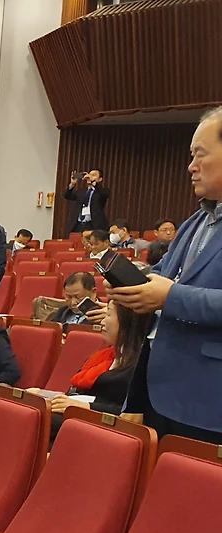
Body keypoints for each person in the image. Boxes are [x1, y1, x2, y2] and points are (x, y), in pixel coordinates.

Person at [105, 106, 222, 444]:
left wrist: (170, 297)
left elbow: (171, 292)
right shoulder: (196, 221)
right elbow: (163, 277)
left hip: (210, 401)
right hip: (160, 392)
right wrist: (132, 289)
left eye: (200, 154)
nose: (191, 166)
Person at [44, 301, 154, 440]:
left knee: (41, 420)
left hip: (102, 428)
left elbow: (129, 413)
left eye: (108, 314)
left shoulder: (141, 366)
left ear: (127, 322)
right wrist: (44, 395)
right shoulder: (105, 355)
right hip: (78, 412)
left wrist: (85, 406)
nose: (102, 322)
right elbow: (77, 395)